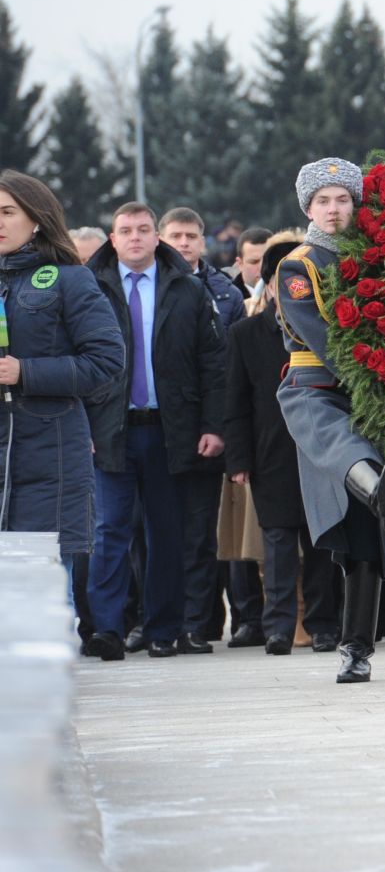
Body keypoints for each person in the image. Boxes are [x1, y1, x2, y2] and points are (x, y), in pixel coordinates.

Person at [274, 158, 385, 683]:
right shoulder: (299, 265)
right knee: (342, 460)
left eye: (343, 200)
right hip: (318, 390)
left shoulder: (379, 259)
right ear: (307, 207)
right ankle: (381, 491)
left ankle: (357, 647)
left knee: (364, 536)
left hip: (373, 395)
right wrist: (380, 374)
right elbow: (321, 335)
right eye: (323, 201)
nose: (333, 210)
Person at [82, 201, 227, 660]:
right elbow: (77, 363)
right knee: (110, 531)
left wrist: (213, 426)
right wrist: (79, 427)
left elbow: (213, 364)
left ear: (156, 237)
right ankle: (107, 628)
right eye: (126, 230)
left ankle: (163, 628)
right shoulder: (90, 289)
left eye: (144, 229)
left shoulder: (187, 289)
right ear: (113, 238)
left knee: (167, 532)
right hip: (109, 429)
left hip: (170, 428)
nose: (136, 237)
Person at [0, 171, 125, 642]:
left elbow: (107, 360)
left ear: (37, 219)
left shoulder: (71, 280)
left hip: (47, 459)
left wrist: (24, 372)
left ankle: (42, 704)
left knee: (41, 595)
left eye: (8, 211)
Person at [225, 230, 339, 654]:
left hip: (321, 449)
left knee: (322, 541)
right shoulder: (245, 334)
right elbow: (234, 402)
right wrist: (238, 459)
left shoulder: (326, 328)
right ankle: (277, 627)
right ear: (270, 285)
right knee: (276, 547)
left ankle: (323, 625)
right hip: (270, 453)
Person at [159, 205, 256, 647]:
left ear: (202, 241)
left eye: (190, 236)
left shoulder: (223, 293)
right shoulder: (148, 287)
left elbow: (227, 369)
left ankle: (200, 623)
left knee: (205, 533)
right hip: (157, 426)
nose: (182, 244)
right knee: (158, 533)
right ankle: (163, 619)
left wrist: (219, 426)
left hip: (207, 427)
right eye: (175, 236)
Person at [227, 226, 275, 301]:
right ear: (240, 264)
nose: (262, 268)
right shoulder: (227, 298)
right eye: (254, 262)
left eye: (268, 260)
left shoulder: (290, 293)